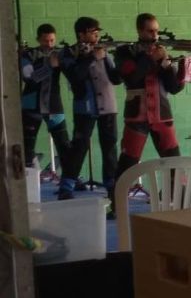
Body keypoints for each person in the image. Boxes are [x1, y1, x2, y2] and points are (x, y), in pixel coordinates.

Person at [112, 14, 185, 210]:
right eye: (150, 31)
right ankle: (116, 204)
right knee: (128, 162)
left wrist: (165, 64)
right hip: (137, 115)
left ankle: (177, 202)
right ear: (139, 31)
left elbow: (175, 88)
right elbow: (131, 76)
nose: (155, 35)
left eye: (156, 31)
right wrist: (149, 58)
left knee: (174, 162)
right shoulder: (124, 52)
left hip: (162, 114)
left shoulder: (161, 52)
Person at [57, 17, 122, 201]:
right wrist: (92, 57)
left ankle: (112, 188)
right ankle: (66, 186)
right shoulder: (68, 53)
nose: (96, 35)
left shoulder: (102, 51)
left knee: (109, 148)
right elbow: (75, 76)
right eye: (92, 31)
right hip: (84, 107)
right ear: (81, 34)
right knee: (79, 147)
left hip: (108, 106)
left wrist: (122, 64)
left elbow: (116, 79)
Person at [20, 24, 71, 170]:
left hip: (53, 105)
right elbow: (29, 78)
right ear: (38, 39)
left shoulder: (59, 54)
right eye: (45, 41)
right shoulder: (27, 55)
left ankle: (70, 178)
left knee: (64, 145)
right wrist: (49, 65)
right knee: (27, 147)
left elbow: (73, 75)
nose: (49, 44)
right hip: (31, 105)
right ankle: (26, 183)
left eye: (52, 40)